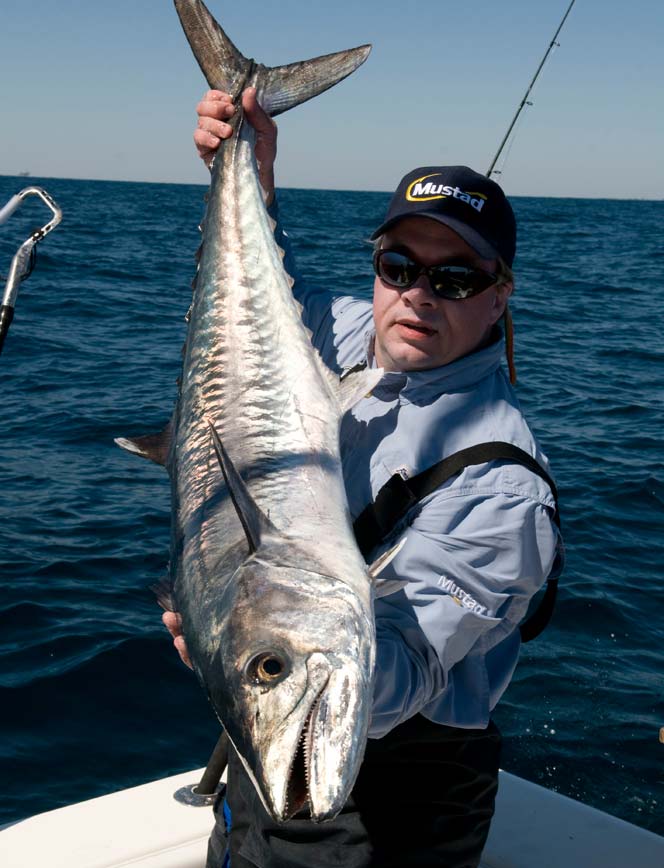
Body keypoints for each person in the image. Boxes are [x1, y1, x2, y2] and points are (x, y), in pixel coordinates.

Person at [163, 87, 564, 868]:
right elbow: (256, 298)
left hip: (404, 782)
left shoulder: (506, 489)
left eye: (455, 280)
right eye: (399, 265)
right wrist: (248, 169)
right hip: (274, 731)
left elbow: (406, 672)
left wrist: (262, 647)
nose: (417, 294)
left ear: (499, 296)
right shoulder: (343, 327)